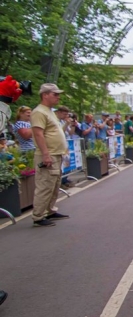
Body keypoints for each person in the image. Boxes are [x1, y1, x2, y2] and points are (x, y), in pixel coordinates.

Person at [30, 83, 70, 227]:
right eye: (55, 94)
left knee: (54, 184)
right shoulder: (39, 112)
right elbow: (38, 134)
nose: (58, 97)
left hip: (56, 154)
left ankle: (50, 210)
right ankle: (38, 216)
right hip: (48, 154)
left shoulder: (49, 111)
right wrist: (46, 154)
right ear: (45, 95)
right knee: (45, 185)